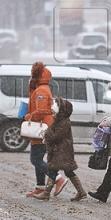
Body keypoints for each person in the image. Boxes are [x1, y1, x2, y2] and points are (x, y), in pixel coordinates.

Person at [24, 62, 66, 198]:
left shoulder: (41, 90)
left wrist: (29, 116)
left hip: (41, 128)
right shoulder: (41, 88)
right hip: (41, 128)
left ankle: (58, 178)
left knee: (35, 159)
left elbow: (42, 110)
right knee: (38, 157)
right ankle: (40, 186)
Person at [34, 97, 88, 201]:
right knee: (66, 172)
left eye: (54, 112)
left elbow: (55, 137)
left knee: (54, 171)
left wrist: (47, 133)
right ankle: (81, 192)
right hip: (60, 151)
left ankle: (46, 194)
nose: (52, 114)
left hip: (62, 152)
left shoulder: (64, 123)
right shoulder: (59, 122)